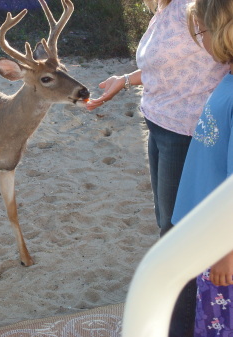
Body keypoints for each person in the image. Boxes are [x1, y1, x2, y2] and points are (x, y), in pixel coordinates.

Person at [86, 0, 229, 336]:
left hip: (188, 133)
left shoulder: (194, 8)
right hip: (159, 125)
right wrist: (124, 80)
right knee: (169, 225)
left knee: (177, 237)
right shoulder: (165, 8)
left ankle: (180, 326)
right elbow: (168, 65)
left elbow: (224, 49)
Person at [171, 0, 233, 335]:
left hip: (221, 243)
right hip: (207, 232)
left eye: (202, 31)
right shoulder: (228, 79)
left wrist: (226, 250)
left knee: (219, 324)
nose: (200, 39)